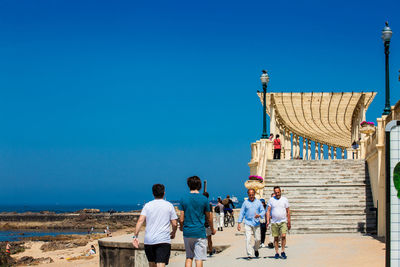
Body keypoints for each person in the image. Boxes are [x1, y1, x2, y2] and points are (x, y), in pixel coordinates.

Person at [133, 184, 178, 267]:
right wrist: (174, 232)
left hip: (149, 241)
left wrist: (135, 236)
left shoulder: (147, 205)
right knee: (161, 264)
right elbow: (174, 223)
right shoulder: (169, 205)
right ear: (164, 193)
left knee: (152, 264)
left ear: (153, 194)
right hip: (163, 240)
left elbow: (140, 221)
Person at [179, 176, 216, 267]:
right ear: (199, 186)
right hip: (199, 232)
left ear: (189, 185)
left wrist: (181, 227)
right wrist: (212, 229)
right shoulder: (204, 199)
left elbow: (181, 218)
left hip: (187, 232)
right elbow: (209, 217)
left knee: (189, 257)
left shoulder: (183, 198)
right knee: (198, 258)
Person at [237, 189, 265, 259]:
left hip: (256, 223)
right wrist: (239, 223)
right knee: (248, 239)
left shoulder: (258, 202)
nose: (251, 196)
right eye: (250, 195)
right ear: (248, 195)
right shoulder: (245, 203)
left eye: (252, 195)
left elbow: (263, 211)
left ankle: (256, 249)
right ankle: (249, 254)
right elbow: (241, 213)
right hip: (247, 223)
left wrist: (259, 215)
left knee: (258, 239)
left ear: (254, 194)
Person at [267, 186, 291, 259]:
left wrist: (289, 221)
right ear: (274, 193)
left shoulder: (285, 200)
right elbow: (268, 210)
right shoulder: (271, 200)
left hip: (283, 221)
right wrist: (268, 220)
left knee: (283, 236)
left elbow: (288, 211)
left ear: (280, 192)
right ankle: (277, 252)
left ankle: (283, 251)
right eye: (276, 192)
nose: (277, 194)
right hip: (274, 222)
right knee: (276, 238)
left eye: (278, 192)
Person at [203, 192, 215, 256]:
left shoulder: (200, 204)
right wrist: (212, 228)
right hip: (207, 224)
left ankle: (203, 252)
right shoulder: (209, 205)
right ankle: (210, 250)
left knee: (202, 240)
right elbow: (211, 216)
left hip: (201, 224)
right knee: (209, 239)